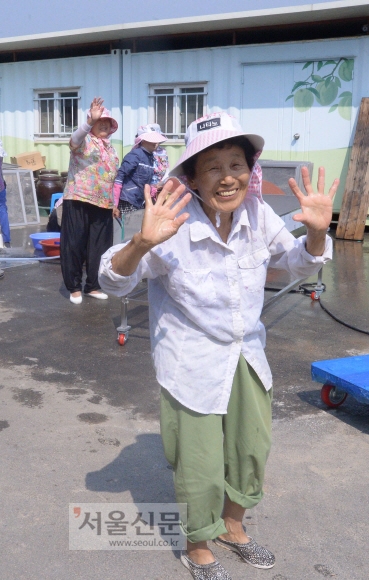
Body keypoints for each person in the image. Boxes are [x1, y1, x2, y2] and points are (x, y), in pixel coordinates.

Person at [99, 112, 338, 580]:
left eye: (236, 164)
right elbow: (113, 280)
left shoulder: (256, 213)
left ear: (250, 171)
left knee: (251, 450)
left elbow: (294, 263)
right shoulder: (172, 225)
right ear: (191, 177)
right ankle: (198, 545)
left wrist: (313, 234)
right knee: (201, 464)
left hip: (246, 353)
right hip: (191, 361)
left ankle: (233, 527)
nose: (227, 178)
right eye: (212, 168)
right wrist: (141, 244)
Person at [61, 97, 119, 305]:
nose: (103, 124)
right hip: (79, 198)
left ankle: (93, 285)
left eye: (107, 122)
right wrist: (87, 123)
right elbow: (73, 141)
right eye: (99, 121)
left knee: (100, 247)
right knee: (74, 244)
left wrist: (115, 203)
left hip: (103, 203)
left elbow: (113, 177)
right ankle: (74, 286)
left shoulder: (110, 149)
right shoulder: (84, 140)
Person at [113, 124, 167, 216]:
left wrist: (154, 188)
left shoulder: (151, 158)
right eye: (152, 140)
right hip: (128, 199)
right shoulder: (135, 155)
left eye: (157, 140)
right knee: (129, 229)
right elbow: (120, 177)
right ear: (142, 140)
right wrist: (114, 204)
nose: (156, 143)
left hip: (140, 201)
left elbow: (144, 182)